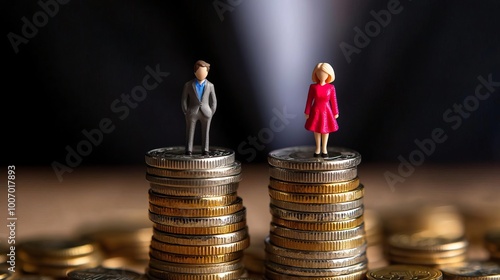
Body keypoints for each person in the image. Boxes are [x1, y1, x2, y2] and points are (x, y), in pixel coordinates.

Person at [181, 60, 217, 156]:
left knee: (206, 132)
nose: (202, 74)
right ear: (195, 72)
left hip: (206, 112)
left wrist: (211, 112)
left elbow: (213, 101)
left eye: (204, 71)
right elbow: (184, 99)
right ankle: (188, 149)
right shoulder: (188, 85)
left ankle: (205, 150)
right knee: (190, 131)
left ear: (207, 72)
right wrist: (186, 111)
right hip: (192, 112)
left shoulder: (210, 85)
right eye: (200, 71)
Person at [304, 62, 339, 157]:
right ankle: (318, 148)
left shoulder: (331, 87)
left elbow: (333, 100)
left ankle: (324, 148)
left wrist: (336, 112)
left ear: (329, 74)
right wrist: (307, 111)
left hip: (326, 111)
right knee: (316, 129)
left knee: (325, 130)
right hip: (316, 110)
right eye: (319, 73)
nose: (321, 75)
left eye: (324, 73)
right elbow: (309, 100)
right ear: (315, 74)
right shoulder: (313, 87)